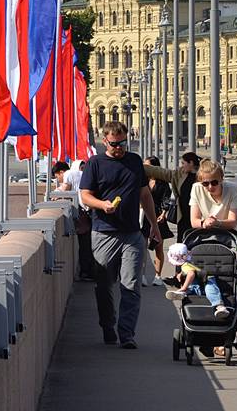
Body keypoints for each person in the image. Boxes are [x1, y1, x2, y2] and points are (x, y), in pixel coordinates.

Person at [78, 121, 162, 349]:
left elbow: (145, 194)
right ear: (105, 140)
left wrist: (154, 226)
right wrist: (102, 205)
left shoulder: (134, 161)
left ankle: (127, 334)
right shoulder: (95, 163)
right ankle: (108, 325)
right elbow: (85, 195)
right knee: (104, 285)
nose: (120, 148)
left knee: (131, 284)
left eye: (123, 143)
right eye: (115, 144)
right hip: (104, 232)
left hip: (132, 233)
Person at [164, 242, 229, 318]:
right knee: (196, 289)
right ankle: (182, 293)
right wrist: (181, 274)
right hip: (198, 286)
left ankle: (220, 306)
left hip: (206, 282)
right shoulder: (188, 263)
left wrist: (183, 288)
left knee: (211, 291)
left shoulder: (185, 266)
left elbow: (191, 274)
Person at [189, 160, 237, 232]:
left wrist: (216, 223)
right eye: (205, 184)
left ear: (221, 179)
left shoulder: (234, 189)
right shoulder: (197, 188)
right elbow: (194, 221)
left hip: (230, 236)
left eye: (214, 182)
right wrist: (204, 223)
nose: (210, 187)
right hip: (207, 236)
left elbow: (233, 222)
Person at [145, 157, 172, 287]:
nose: (145, 168)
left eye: (147, 166)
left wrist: (163, 214)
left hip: (158, 217)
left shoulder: (163, 183)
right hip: (143, 217)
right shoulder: (142, 181)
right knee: (142, 247)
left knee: (158, 246)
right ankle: (142, 275)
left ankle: (157, 276)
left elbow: (166, 199)